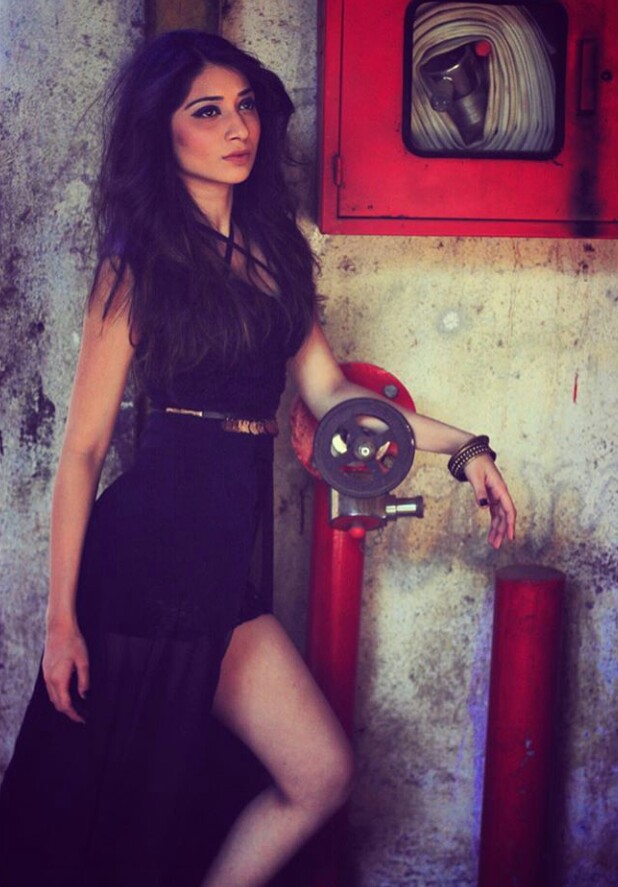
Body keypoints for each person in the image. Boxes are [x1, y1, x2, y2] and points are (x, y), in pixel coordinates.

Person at [0, 30, 516, 887]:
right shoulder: (137, 270)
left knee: (319, 772)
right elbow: (83, 451)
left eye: (244, 107)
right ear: (162, 132)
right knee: (109, 814)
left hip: (215, 568)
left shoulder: (275, 252)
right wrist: (60, 622)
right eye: (207, 112)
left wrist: (466, 448)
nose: (237, 127)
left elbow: (332, 393)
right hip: (142, 564)